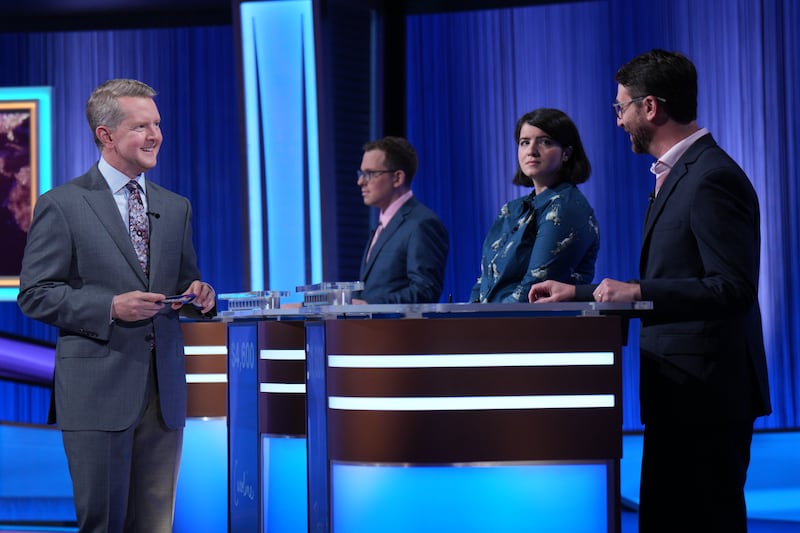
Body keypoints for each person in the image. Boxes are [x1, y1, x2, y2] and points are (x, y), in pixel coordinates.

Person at [529, 50, 771, 532]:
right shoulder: (677, 174)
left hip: (706, 397)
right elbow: (673, 277)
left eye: (621, 108)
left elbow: (732, 289)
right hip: (680, 393)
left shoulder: (711, 177)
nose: (618, 121)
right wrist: (578, 295)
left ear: (651, 107)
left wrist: (637, 289)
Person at [17, 78, 216, 532]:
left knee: (154, 525)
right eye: (141, 126)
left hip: (163, 394)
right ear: (106, 135)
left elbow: (182, 282)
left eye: (158, 124)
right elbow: (35, 293)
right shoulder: (63, 205)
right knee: (104, 522)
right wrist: (110, 307)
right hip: (97, 392)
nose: (155, 136)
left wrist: (198, 295)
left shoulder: (175, 206)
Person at [470, 108, 599, 303]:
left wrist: (482, 323)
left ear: (566, 153)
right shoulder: (511, 209)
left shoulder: (566, 206)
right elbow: (484, 282)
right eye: (524, 143)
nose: (531, 150)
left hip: (535, 328)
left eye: (545, 141)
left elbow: (532, 290)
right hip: (494, 324)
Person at [355, 136, 449, 304]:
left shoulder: (422, 223)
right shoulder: (383, 225)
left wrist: (370, 306)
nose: (360, 181)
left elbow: (425, 291)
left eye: (370, 174)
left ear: (397, 178)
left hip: (399, 330)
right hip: (371, 329)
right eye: (361, 173)